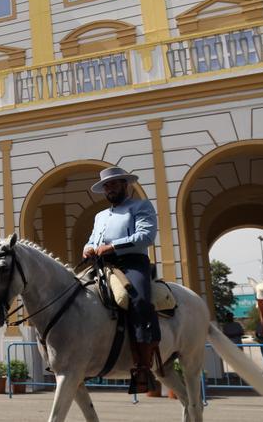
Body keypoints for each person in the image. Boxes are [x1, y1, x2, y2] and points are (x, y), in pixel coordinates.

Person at [82, 167, 158, 394]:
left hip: (132, 263)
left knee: (138, 301)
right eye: (106, 185)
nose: (110, 188)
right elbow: (93, 239)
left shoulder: (141, 206)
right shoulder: (100, 216)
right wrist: (87, 248)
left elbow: (146, 236)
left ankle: (143, 366)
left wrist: (113, 246)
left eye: (114, 184)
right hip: (102, 265)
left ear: (126, 185)